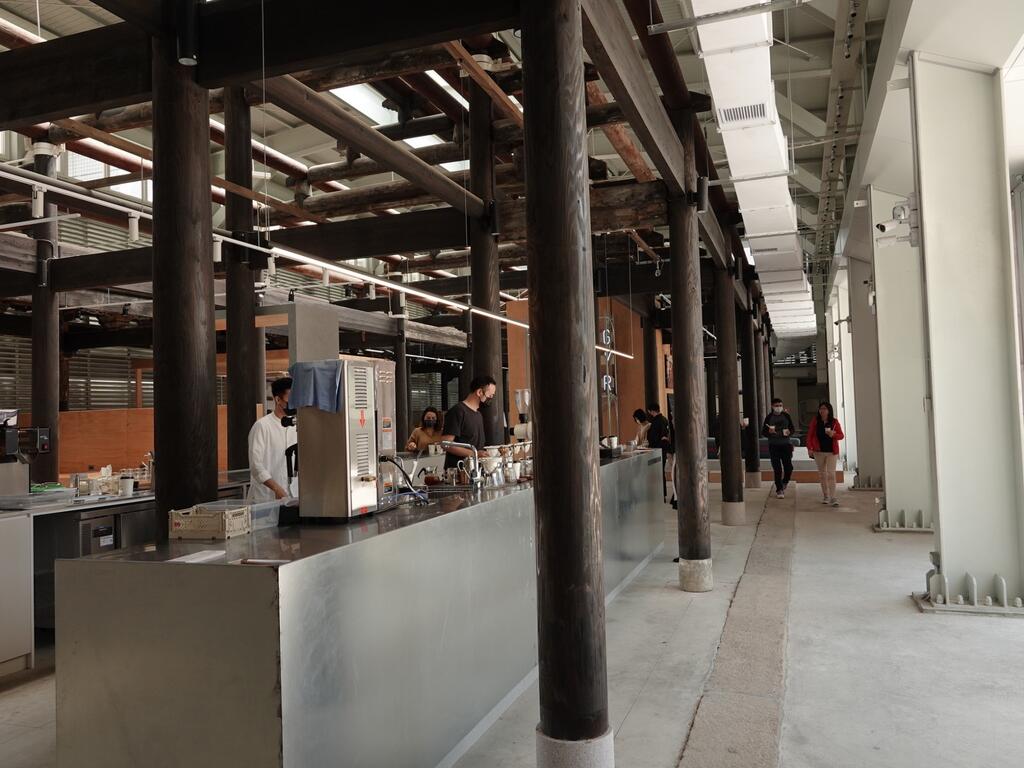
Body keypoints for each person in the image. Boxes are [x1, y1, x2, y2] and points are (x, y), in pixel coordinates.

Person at [247, 377, 298, 502]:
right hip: (266, 498)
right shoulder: (262, 426)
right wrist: (276, 488)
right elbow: (256, 465)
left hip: (292, 497)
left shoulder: (297, 426)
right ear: (278, 399)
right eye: (290, 400)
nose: (293, 404)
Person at [441, 375, 497, 470]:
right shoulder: (458, 411)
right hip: (459, 471)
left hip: (475, 469)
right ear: (479, 392)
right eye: (490, 396)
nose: (491, 399)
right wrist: (474, 453)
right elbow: (445, 444)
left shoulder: (478, 414)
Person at [806, 401, 844, 507]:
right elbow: (809, 435)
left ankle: (833, 497)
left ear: (829, 410)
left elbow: (841, 435)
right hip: (818, 451)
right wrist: (809, 448)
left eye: (824, 409)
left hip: (831, 452)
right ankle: (826, 496)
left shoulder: (834, 422)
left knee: (831, 474)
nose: (822, 411)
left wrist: (833, 434)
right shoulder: (815, 421)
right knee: (822, 474)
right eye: (821, 409)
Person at [762, 397, 796, 499]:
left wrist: (790, 432)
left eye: (780, 405)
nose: (779, 407)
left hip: (786, 444)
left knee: (788, 467)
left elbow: (792, 428)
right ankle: (779, 489)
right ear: (772, 406)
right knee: (777, 468)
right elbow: (763, 432)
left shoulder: (786, 416)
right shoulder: (769, 418)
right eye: (776, 406)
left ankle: (785, 481)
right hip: (774, 445)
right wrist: (769, 432)